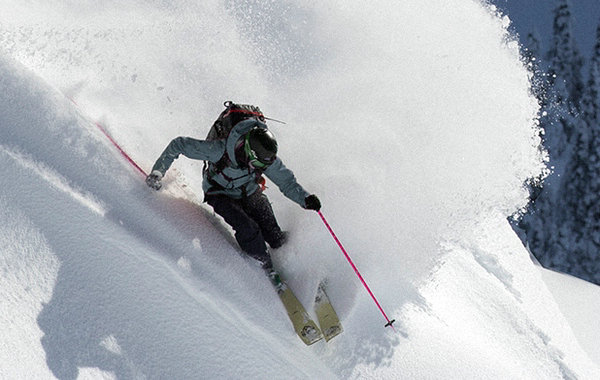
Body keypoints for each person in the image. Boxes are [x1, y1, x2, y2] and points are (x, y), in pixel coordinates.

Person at [145, 104, 321, 271]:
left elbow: (286, 182)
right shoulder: (218, 150)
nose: (260, 168)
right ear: (248, 152)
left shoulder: (266, 157)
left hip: (249, 191)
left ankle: (291, 261)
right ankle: (264, 266)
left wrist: (305, 199)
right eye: (256, 164)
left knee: (275, 236)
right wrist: (158, 172)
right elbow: (179, 144)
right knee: (249, 229)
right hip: (219, 193)